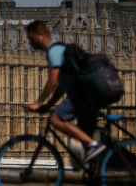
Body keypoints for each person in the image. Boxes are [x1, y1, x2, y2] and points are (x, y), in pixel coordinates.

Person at [25, 20, 108, 164]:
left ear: (40, 35)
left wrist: (38, 102)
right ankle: (97, 168)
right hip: (91, 92)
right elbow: (61, 86)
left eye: (31, 39)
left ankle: (95, 145)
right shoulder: (59, 49)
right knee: (84, 139)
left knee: (56, 120)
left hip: (85, 93)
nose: (30, 43)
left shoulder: (54, 51)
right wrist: (49, 104)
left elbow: (53, 81)